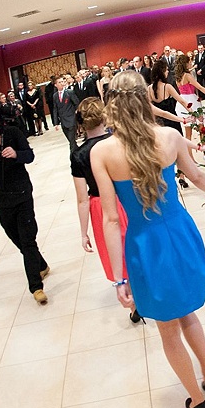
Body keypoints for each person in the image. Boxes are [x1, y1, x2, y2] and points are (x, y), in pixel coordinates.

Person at [91, 70, 205, 408]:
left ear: (111, 104)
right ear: (144, 98)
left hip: (145, 245)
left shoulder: (102, 152)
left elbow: (111, 219)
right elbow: (197, 176)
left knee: (167, 326)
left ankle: (196, 398)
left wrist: (119, 278)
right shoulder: (169, 136)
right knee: (187, 312)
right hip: (179, 233)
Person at [71, 98, 141, 323]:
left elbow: (82, 199)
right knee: (136, 243)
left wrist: (84, 233)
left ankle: (131, 298)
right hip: (127, 197)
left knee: (116, 251)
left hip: (100, 205)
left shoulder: (79, 154)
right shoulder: (119, 142)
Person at [0, 104, 50, 305]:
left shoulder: (13, 132)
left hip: (22, 193)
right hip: (2, 200)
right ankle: (41, 265)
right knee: (17, 239)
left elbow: (30, 156)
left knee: (28, 240)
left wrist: (16, 154)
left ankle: (36, 287)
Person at [174, 54, 205, 144]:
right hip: (192, 100)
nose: (191, 63)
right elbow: (199, 87)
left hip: (182, 101)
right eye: (189, 62)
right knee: (201, 128)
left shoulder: (178, 77)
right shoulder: (187, 76)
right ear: (185, 64)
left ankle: (188, 152)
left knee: (188, 133)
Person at [51, 75, 80, 152]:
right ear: (55, 85)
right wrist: (56, 123)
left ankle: (72, 156)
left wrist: (76, 113)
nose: (62, 83)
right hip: (63, 121)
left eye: (62, 82)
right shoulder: (55, 96)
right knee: (71, 141)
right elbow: (55, 109)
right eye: (59, 82)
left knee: (72, 141)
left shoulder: (69, 92)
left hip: (71, 119)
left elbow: (76, 103)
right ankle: (78, 153)